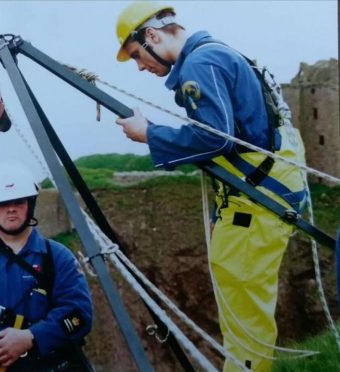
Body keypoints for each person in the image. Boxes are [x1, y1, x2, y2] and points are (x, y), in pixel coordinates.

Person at [112, 2, 307, 371]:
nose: (141, 66)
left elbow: (217, 139)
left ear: (152, 35)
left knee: (243, 311)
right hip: (257, 196)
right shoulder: (216, 54)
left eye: (138, 55)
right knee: (245, 306)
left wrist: (150, 135)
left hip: (256, 201)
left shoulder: (201, 64)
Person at [0, 162, 93, 371]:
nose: (11, 209)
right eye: (1, 203)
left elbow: (79, 315)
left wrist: (31, 337)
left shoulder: (57, 257)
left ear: (31, 203)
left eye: (18, 201)